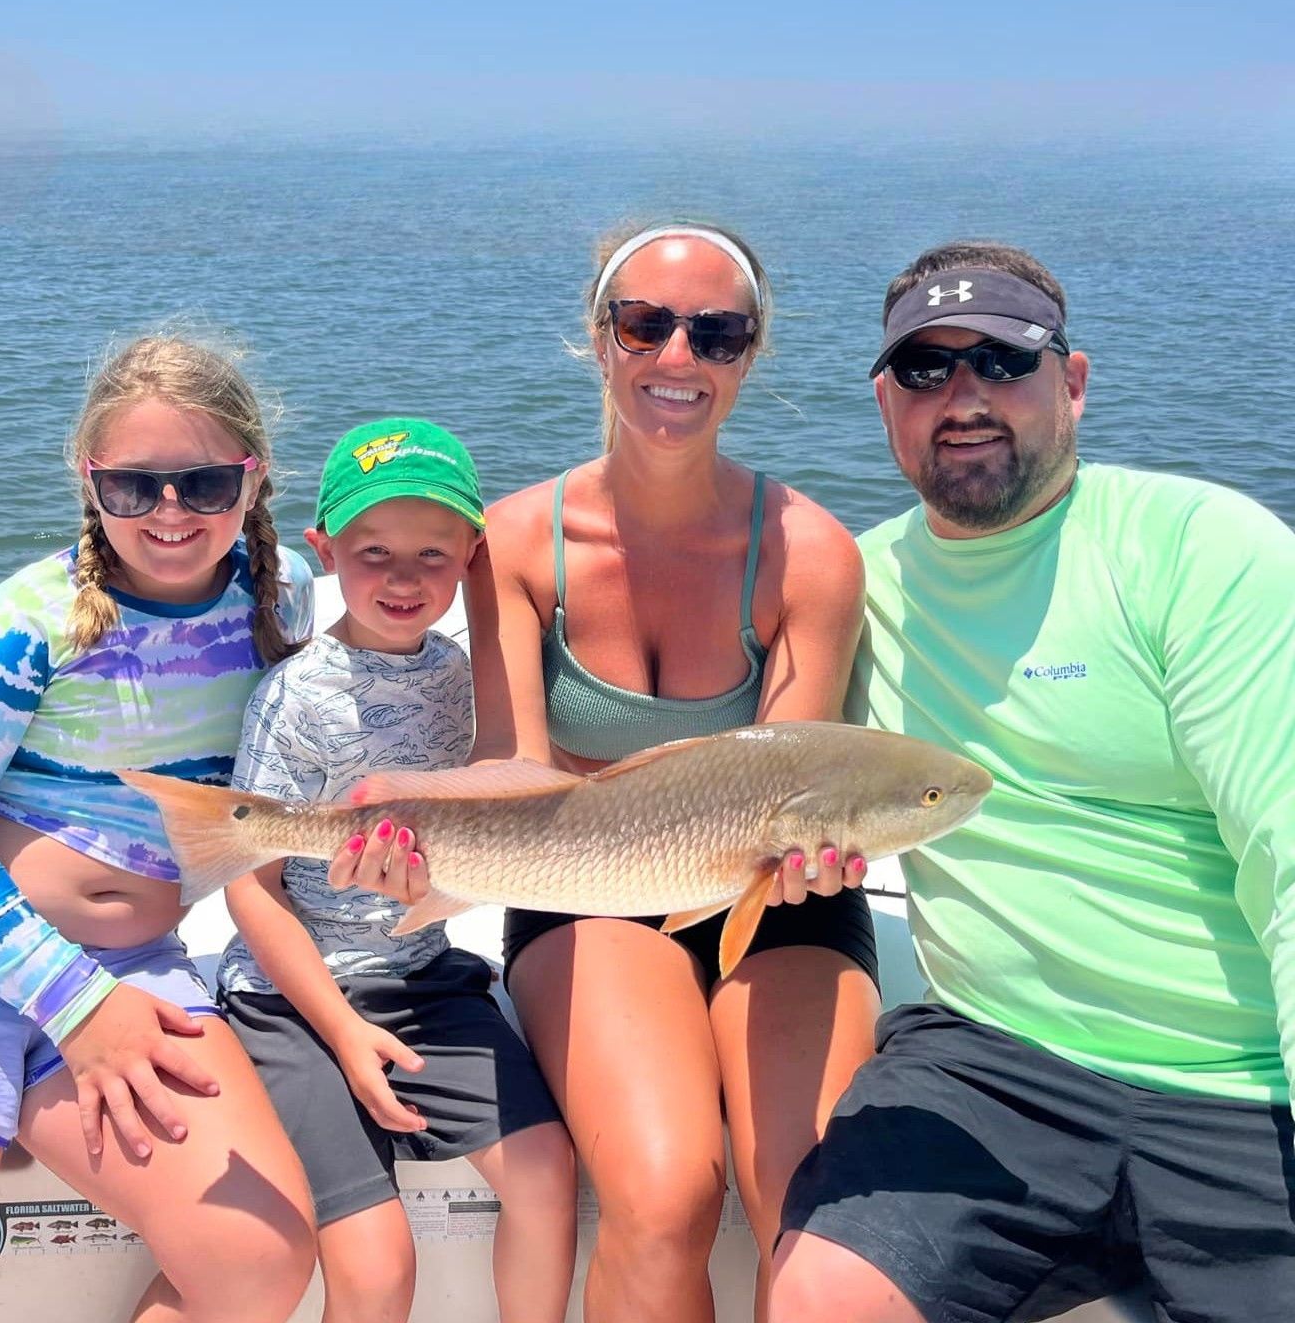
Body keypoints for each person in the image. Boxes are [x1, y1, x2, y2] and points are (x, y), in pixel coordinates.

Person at [336, 222, 882, 1323]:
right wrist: (408, 828)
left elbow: (796, 785)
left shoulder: (809, 553)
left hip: (774, 895)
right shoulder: (519, 544)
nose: (677, 357)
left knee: (812, 1209)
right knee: (671, 1191)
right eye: (646, 323)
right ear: (600, 338)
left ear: (750, 354)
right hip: (586, 884)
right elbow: (518, 770)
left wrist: (816, 857)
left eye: (717, 333)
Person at [772, 242, 1295, 1323]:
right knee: (823, 1297)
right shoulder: (851, 588)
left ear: (1075, 381)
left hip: (1249, 1086)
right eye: (925, 370)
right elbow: (740, 777)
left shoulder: (1201, 551)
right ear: (884, 400)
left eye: (1002, 362)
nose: (962, 398)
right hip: (993, 1062)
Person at [0, 335, 319, 1323]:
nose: (168, 513)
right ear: (89, 479)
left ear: (255, 476)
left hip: (133, 971)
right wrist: (73, 1004)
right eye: (133, 487)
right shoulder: (27, 619)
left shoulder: (282, 608)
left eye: (202, 484)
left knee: (259, 1265)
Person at [218, 417, 577, 1323]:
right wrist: (341, 1030)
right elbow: (246, 882)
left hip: (425, 978)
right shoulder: (294, 696)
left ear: (471, 558)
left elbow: (516, 788)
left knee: (545, 1172)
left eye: (433, 552)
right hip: (292, 1003)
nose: (405, 577)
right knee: (378, 1269)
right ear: (324, 550)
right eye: (373, 550)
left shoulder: (464, 678)